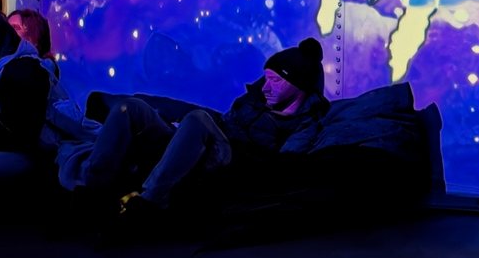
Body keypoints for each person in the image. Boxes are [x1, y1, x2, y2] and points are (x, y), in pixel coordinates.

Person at [82, 37, 332, 216]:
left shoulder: (305, 123)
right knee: (131, 107)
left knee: (197, 118)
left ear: (298, 86)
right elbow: (226, 119)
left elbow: (287, 167)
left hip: (232, 156)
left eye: (276, 81)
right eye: (266, 78)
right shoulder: (255, 99)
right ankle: (91, 186)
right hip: (208, 137)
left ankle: (151, 200)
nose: (266, 87)